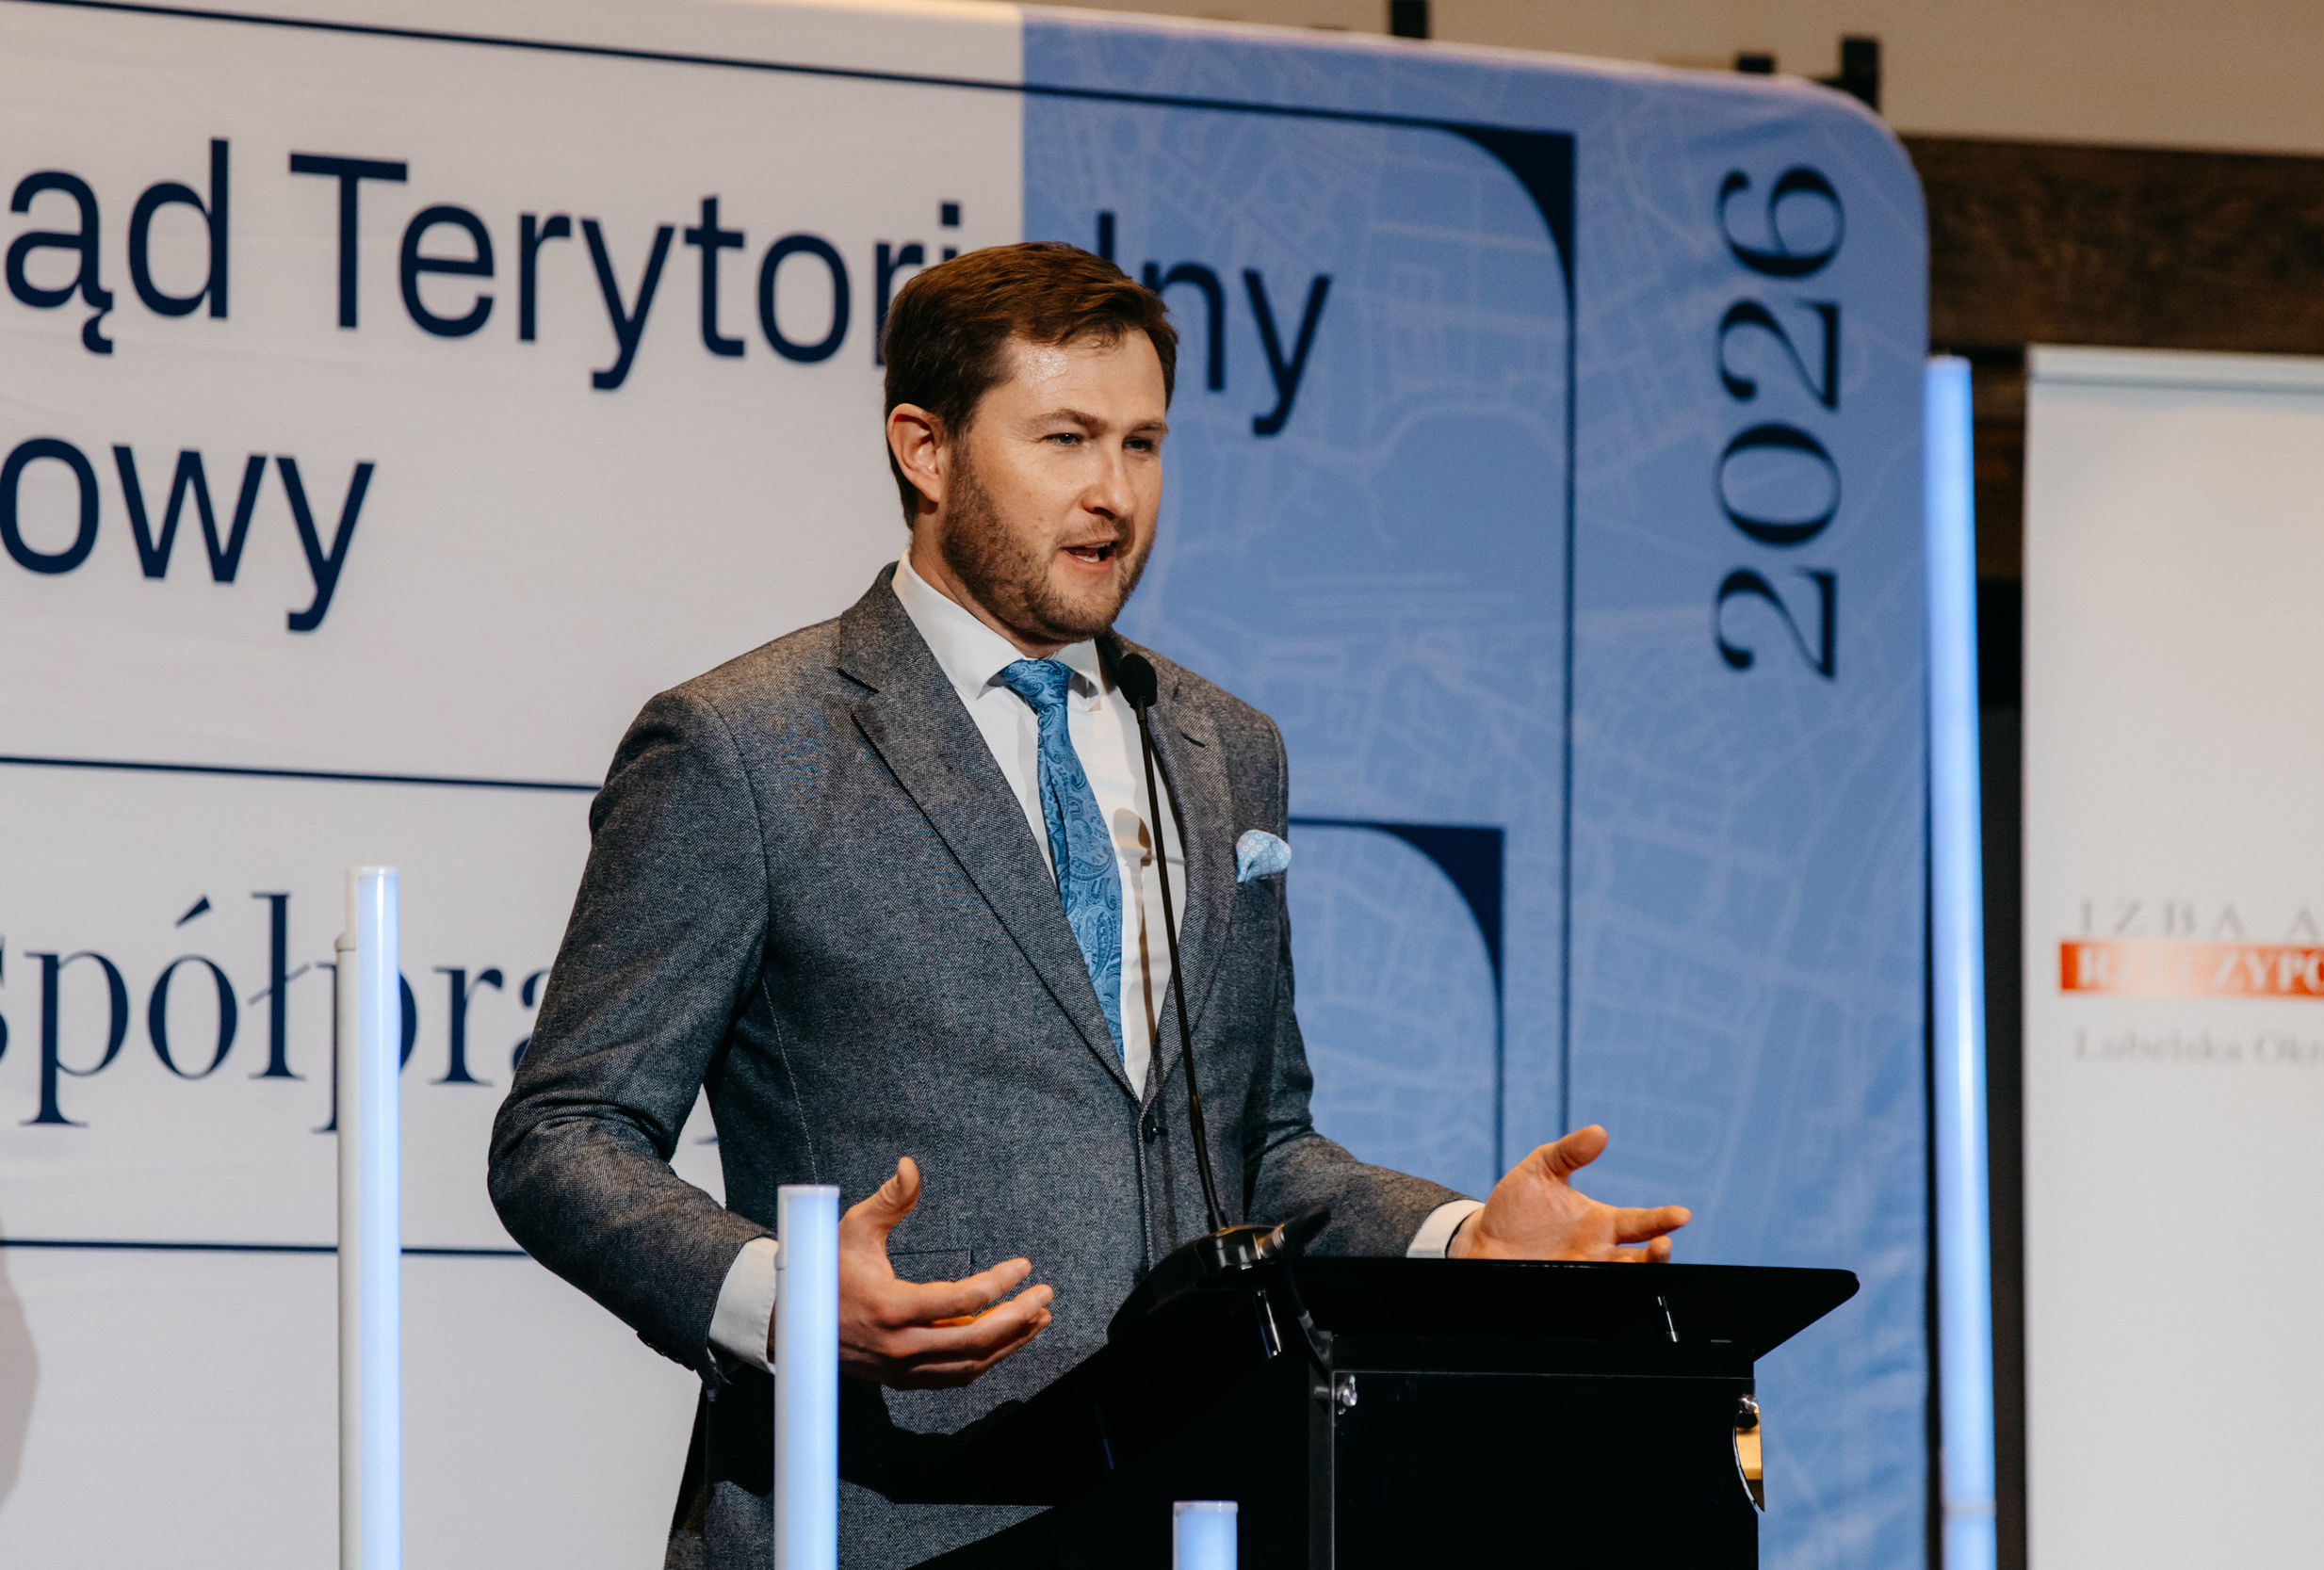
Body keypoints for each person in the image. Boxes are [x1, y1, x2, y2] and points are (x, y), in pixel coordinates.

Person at [488, 241, 1689, 1570]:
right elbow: (564, 1135)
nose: (1114, 493)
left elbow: (1258, 1148)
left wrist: (1455, 1238)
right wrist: (780, 1297)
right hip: (881, 1519)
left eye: (1143, 444)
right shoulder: (747, 745)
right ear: (925, 449)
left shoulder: (1225, 747)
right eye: (1064, 439)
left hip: (1203, 1515)